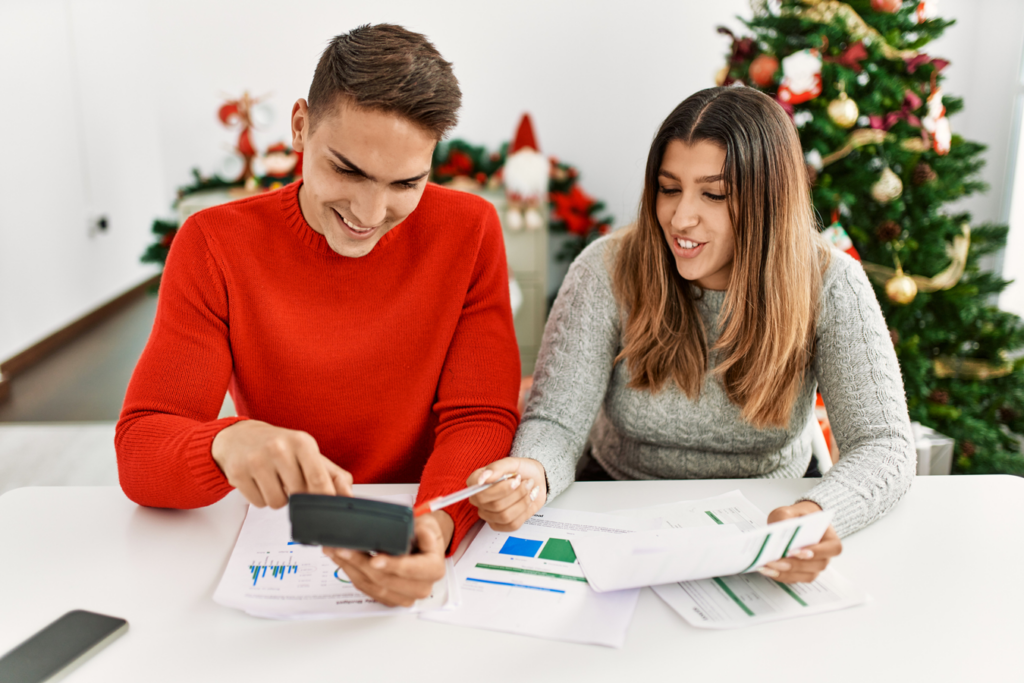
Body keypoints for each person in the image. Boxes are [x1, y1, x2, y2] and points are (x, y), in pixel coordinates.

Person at [116, 24, 521, 606]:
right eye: (348, 170)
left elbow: (480, 416)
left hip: (422, 509)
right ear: (301, 126)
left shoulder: (470, 229)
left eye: (406, 183)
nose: (370, 212)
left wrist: (436, 524)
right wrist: (226, 445)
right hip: (278, 535)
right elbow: (140, 450)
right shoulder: (214, 243)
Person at [468, 86, 916, 584]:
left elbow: (884, 445)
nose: (680, 218)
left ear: (769, 200)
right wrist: (532, 471)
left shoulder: (831, 281)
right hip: (617, 504)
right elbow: (556, 421)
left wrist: (817, 511)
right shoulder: (604, 269)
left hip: (770, 514)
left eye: (714, 194)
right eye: (668, 188)